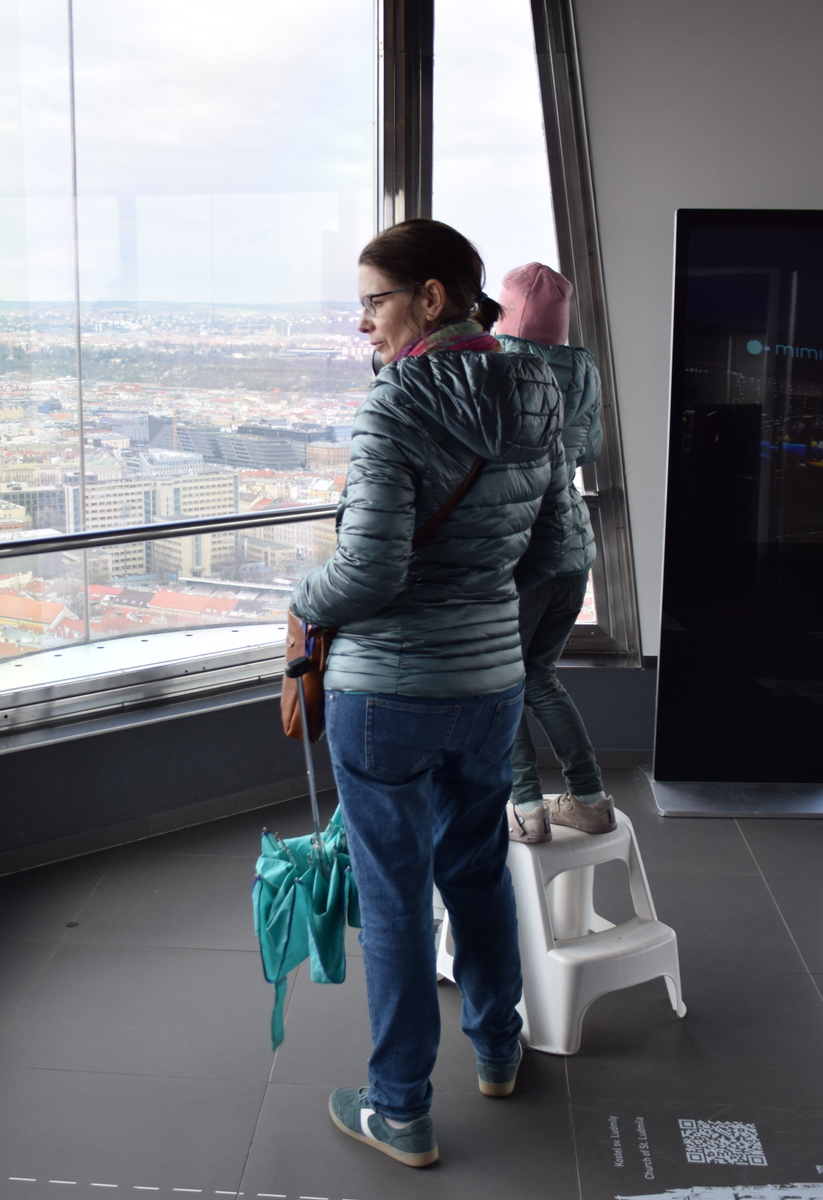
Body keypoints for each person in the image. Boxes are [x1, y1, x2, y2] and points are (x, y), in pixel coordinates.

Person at [290, 219, 575, 1168]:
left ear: (432, 298)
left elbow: (367, 572)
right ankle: (499, 1049)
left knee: (396, 896)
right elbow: (549, 547)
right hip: (490, 683)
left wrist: (301, 600)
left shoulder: (394, 405)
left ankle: (400, 1108)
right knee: (478, 870)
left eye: (373, 301)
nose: (362, 322)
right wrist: (484, 613)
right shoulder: (538, 390)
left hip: (388, 695)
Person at [491, 262, 617, 843]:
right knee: (539, 675)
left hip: (522, 552)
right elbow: (588, 448)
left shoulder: (497, 367)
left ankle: (526, 807)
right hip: (573, 548)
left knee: (502, 681)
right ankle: (588, 799)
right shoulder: (583, 370)